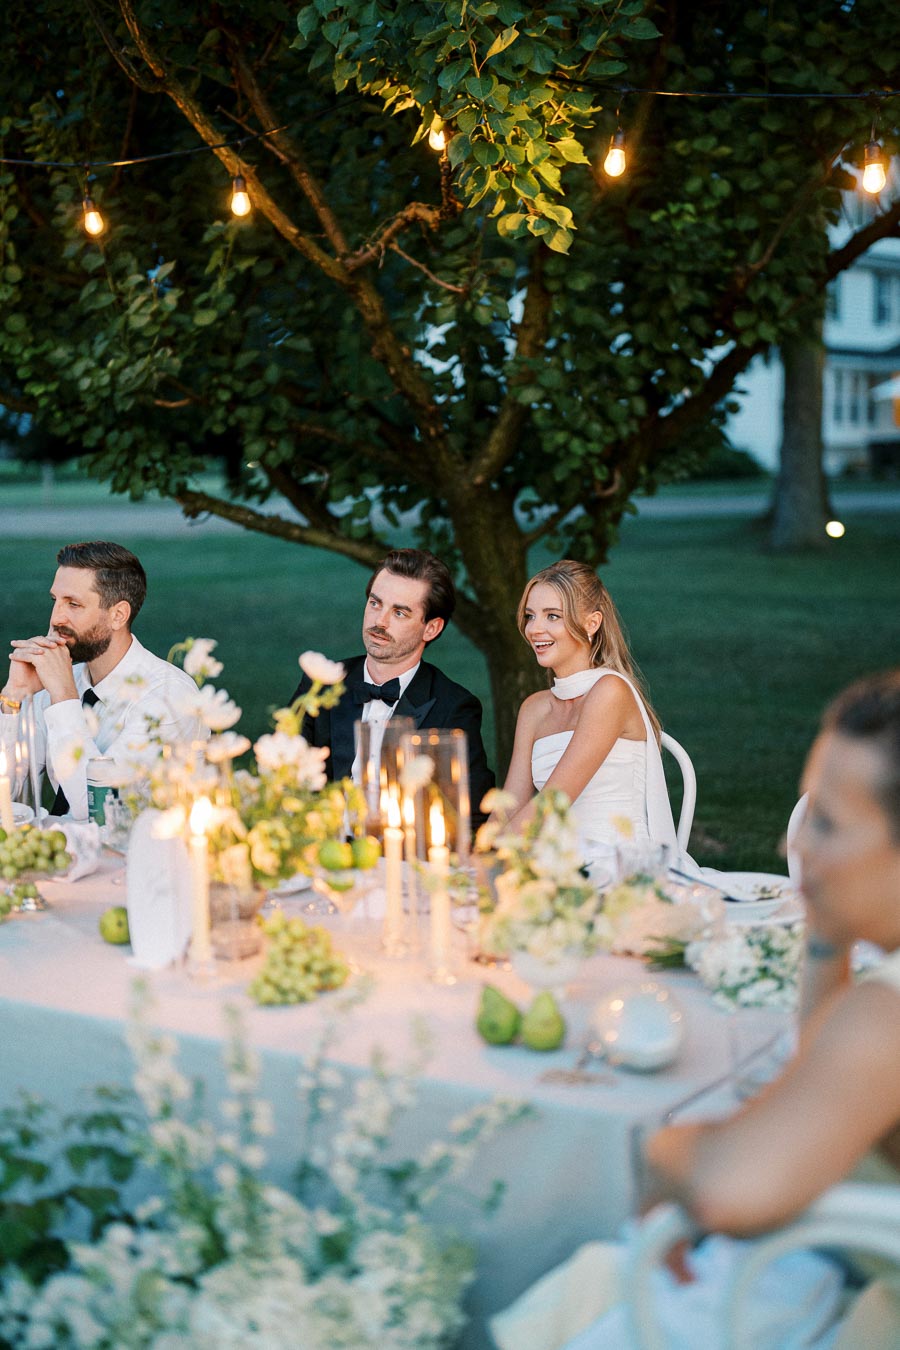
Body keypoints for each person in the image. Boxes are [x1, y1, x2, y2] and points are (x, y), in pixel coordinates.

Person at [492, 668, 900, 1350]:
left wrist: (666, 1151)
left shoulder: (885, 1014)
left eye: (824, 823)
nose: (790, 846)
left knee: (622, 1286)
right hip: (845, 1254)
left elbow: (725, 1188)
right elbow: (819, 1078)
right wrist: (828, 935)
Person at [496, 560, 677, 881]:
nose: (535, 628)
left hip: (621, 867)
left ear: (592, 623)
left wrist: (493, 861)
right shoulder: (534, 709)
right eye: (530, 615)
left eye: (552, 616)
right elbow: (508, 805)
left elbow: (554, 801)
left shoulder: (611, 691)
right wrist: (474, 858)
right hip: (555, 863)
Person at [1, 540, 205, 821]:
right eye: (55, 601)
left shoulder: (169, 696)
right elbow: (6, 788)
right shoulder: (60, 677)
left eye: (73, 604)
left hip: (132, 857)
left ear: (118, 615)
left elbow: (100, 809)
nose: (55, 618)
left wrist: (63, 697)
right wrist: (14, 697)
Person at [290, 548, 494, 823]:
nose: (379, 621)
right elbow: (284, 777)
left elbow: (471, 812)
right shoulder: (322, 683)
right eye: (375, 603)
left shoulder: (453, 707)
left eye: (399, 613)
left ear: (431, 628)